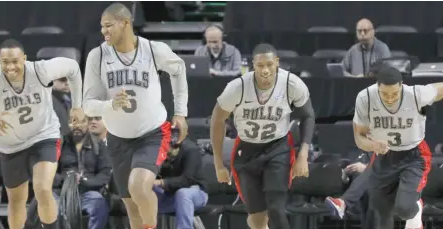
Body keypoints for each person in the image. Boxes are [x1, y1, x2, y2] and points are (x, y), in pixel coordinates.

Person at [0, 39, 84, 229]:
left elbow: (72, 67)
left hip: (43, 136)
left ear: (25, 59)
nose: (10, 67)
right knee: (16, 200)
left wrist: (77, 106)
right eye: (5, 62)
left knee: (43, 189)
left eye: (15, 61)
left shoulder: (40, 70)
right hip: (11, 146)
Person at [82, 3, 189, 229]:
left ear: (126, 23)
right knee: (131, 206)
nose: (104, 32)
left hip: (152, 132)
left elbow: (179, 70)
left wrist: (180, 111)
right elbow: (88, 106)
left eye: (109, 25)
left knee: (139, 186)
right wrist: (111, 104)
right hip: (118, 138)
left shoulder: (152, 50)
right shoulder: (97, 56)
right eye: (102, 27)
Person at [210, 43, 315, 229]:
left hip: (278, 148)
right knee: (257, 219)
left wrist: (303, 154)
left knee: (275, 208)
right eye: (260, 66)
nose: (265, 70)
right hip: (246, 150)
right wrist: (218, 164)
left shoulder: (292, 84)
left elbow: (308, 115)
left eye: (269, 64)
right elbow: (217, 120)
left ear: (277, 62)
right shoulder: (238, 87)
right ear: (253, 65)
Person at [350, 65, 443, 229]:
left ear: (402, 86)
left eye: (394, 94)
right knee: (381, 209)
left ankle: (415, 208)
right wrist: (372, 145)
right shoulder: (365, 98)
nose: (390, 99)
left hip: (414, 154)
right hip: (384, 156)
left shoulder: (415, 94)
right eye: (384, 94)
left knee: (404, 209)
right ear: (377, 87)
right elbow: (359, 137)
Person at [60, 116, 112, 229]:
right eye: (73, 121)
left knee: (99, 203)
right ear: (68, 123)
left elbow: (105, 174)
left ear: (87, 124)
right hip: (61, 192)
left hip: (87, 191)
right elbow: (49, 173)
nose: (77, 125)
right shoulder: (60, 143)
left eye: (82, 122)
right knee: (49, 205)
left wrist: (85, 182)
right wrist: (67, 180)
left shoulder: (98, 145)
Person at [154, 137, 208, 229]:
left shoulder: (191, 150)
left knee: (182, 194)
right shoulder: (158, 153)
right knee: (144, 192)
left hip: (196, 193)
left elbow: (186, 180)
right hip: (169, 196)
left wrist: (160, 182)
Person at [325, 150, 374, 229]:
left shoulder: (389, 148)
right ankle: (343, 203)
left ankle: (343, 203)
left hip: (386, 186)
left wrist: (366, 168)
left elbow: (388, 168)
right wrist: (346, 174)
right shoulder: (358, 154)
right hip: (361, 197)